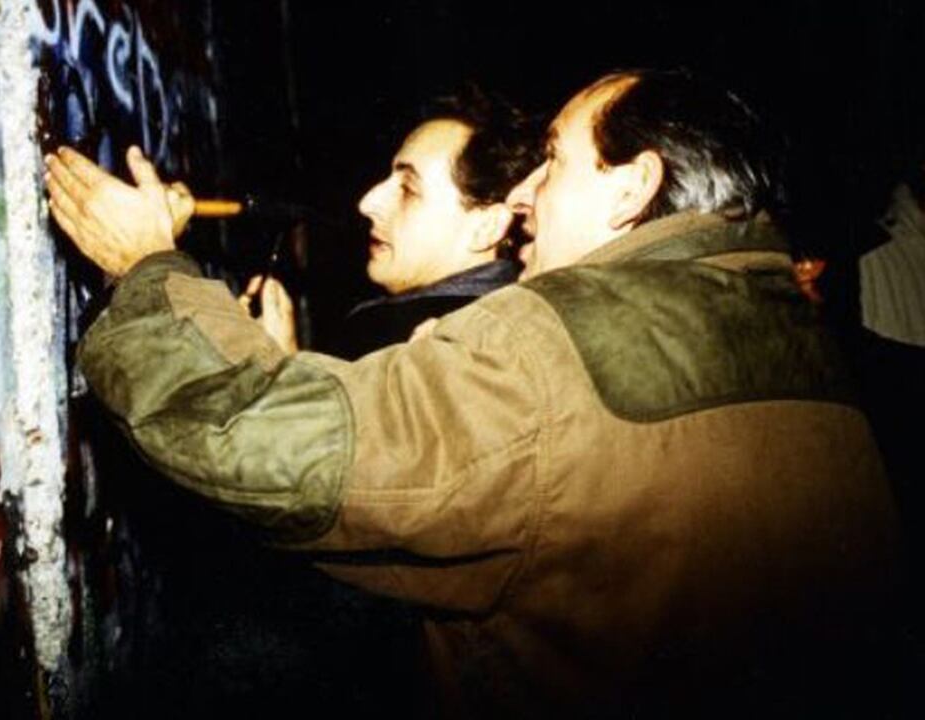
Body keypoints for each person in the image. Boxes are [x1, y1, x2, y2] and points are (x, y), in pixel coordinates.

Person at [44, 69, 903, 717]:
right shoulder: (804, 346)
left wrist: (148, 268)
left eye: (556, 163)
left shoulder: (548, 345)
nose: (528, 192)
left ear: (633, 188)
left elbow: (256, 437)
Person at [245, 90, 538, 359]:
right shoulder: (520, 328)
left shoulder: (402, 333)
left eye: (408, 189)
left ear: (487, 227)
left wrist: (277, 371)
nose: (368, 202)